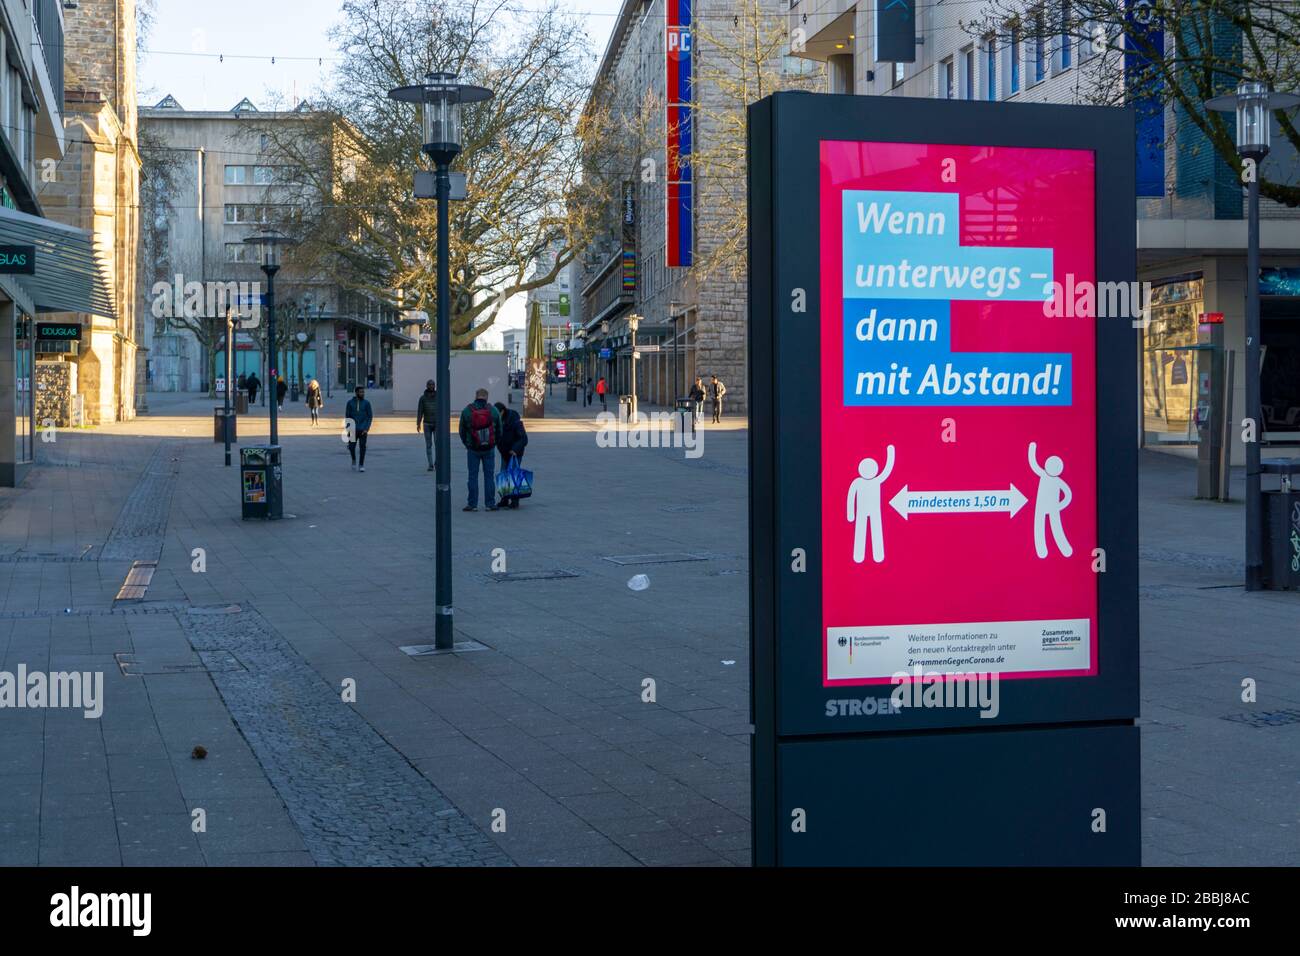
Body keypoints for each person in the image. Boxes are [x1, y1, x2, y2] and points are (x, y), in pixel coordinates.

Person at [848, 445, 895, 564]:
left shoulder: (876, 481)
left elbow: (887, 471)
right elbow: (851, 497)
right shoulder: (857, 482)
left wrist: (891, 454)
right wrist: (850, 514)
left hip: (875, 512)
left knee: (876, 530)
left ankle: (878, 555)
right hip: (861, 512)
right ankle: (858, 556)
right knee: (860, 531)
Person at [1028, 442, 1073, 559]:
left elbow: (1068, 496)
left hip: (1053, 508)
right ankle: (1042, 551)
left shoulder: (1057, 481)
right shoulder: (1044, 474)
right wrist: (1032, 449)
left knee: (1056, 527)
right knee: (1040, 526)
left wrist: (1058, 506)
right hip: (1041, 506)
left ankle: (1065, 549)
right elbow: (1034, 464)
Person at [459, 388, 502, 511]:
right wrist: (494, 443)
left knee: (472, 476)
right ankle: (490, 504)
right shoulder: (493, 411)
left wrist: (467, 444)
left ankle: (472, 504)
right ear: (486, 397)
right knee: (489, 476)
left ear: (476, 396)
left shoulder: (467, 411)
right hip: (489, 449)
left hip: (473, 449)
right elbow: (500, 429)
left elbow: (461, 430)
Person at [493, 401, 528, 509]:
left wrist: (514, 449)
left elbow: (523, 438)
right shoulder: (498, 421)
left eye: (497, 413)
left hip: (514, 453)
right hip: (504, 453)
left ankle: (514, 501)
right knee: (504, 475)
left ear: (502, 411)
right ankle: (504, 499)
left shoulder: (515, 420)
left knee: (513, 475)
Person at [345, 385, 373, 472]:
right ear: (356, 393)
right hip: (353, 429)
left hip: (363, 429)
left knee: (362, 447)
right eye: (361, 392)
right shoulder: (350, 403)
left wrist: (366, 428)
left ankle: (361, 464)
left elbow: (370, 416)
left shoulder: (367, 403)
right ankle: (353, 459)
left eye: (363, 392)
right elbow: (347, 416)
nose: (362, 393)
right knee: (351, 447)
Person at [415, 379, 439, 472]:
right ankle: (430, 464)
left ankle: (437, 462)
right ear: (426, 386)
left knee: (438, 444)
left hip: (437, 423)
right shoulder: (423, 398)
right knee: (428, 445)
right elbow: (420, 411)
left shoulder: (438, 397)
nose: (431, 386)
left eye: (432, 384)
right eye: (429, 384)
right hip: (427, 423)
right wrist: (418, 423)